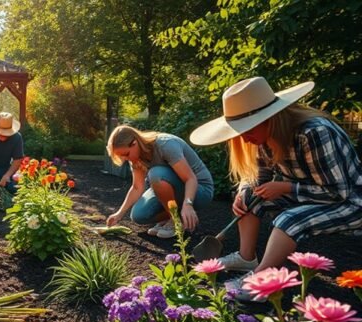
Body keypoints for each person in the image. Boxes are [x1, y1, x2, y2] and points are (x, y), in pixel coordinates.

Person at [189, 76, 362, 296]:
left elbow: (338, 192)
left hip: (351, 202)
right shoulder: (265, 137)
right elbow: (258, 178)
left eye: (247, 130)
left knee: (290, 220)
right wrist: (244, 192)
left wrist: (286, 187)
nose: (244, 139)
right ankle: (246, 257)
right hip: (312, 195)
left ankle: (262, 282)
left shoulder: (314, 133)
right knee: (250, 199)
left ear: (269, 118)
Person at [105, 125, 214, 238]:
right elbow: (137, 187)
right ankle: (174, 217)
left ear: (134, 143)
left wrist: (188, 204)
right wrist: (119, 214)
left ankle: (175, 221)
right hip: (174, 188)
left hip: (200, 190)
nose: (125, 159)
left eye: (126, 154)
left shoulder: (165, 145)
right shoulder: (136, 158)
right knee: (139, 216)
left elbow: (190, 178)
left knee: (156, 174)